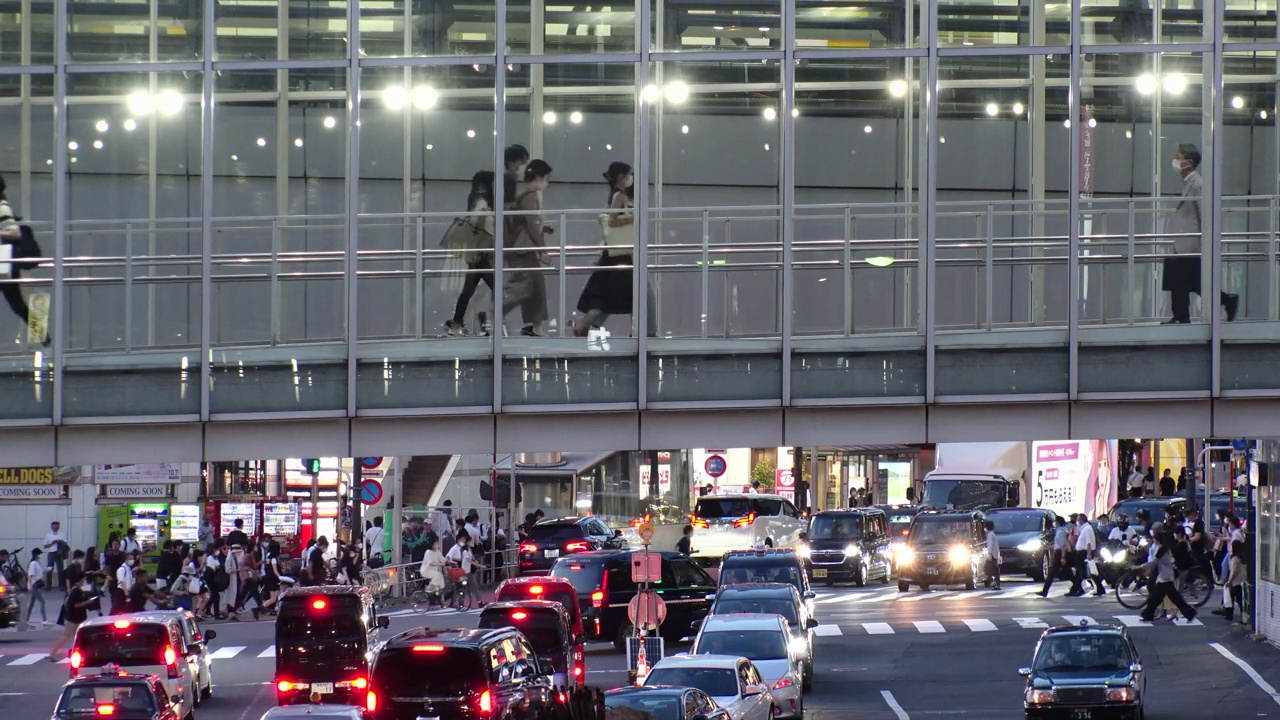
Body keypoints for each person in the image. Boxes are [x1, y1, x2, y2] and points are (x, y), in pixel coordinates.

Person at [573, 161, 656, 339]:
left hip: (618, 254)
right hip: (621, 255)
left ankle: (585, 325)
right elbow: (612, 220)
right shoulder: (619, 196)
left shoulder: (618, 195)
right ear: (621, 177)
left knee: (614, 297)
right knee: (637, 294)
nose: (630, 178)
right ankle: (646, 333)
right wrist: (634, 219)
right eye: (628, 175)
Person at [1163, 144, 1239, 324]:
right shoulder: (1188, 183)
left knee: (1185, 280)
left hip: (1190, 243)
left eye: (1179, 157)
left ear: (1188, 162)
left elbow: (1204, 214)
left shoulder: (1197, 184)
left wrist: (1205, 240)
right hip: (1183, 242)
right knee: (1189, 281)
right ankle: (1225, 301)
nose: (1176, 160)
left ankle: (1183, 316)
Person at [503, 159, 554, 336]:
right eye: (546, 177)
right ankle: (492, 314)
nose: (546, 181)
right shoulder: (529, 198)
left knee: (534, 288)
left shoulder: (526, 197)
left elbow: (529, 225)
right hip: (524, 250)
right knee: (523, 288)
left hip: (524, 249)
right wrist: (543, 249)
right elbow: (531, 226)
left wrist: (543, 229)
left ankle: (536, 325)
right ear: (538, 177)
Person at [445, 171, 498, 336]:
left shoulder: (475, 200)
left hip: (477, 254)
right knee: (499, 288)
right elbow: (482, 226)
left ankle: (456, 323)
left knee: (468, 290)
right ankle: (488, 322)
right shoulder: (482, 202)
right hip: (481, 254)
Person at [1135, 531, 1197, 624]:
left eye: (1155, 538)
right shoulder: (1163, 548)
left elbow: (1153, 562)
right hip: (1165, 576)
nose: (1153, 540)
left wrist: (1139, 567)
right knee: (1169, 597)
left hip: (1166, 577)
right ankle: (1190, 613)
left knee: (1157, 598)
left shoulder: (1162, 550)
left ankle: (1148, 614)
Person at [49, 574, 97, 661]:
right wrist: (88, 602)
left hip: (74, 618)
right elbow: (76, 605)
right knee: (66, 637)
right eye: (83, 580)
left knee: (75, 637)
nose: (84, 582)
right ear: (79, 581)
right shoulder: (77, 591)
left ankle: (75, 653)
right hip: (73, 619)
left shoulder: (74, 590)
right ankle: (52, 654)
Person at [445, 534, 484, 610]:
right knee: (459, 587)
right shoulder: (455, 548)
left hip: (466, 570)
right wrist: (453, 563)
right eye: (462, 539)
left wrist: (475, 561)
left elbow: (471, 558)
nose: (464, 541)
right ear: (459, 539)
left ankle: (478, 601)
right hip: (459, 570)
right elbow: (448, 557)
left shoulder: (466, 549)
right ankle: (457, 602)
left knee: (471, 586)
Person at [1037, 516, 1071, 598]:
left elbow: (1063, 545)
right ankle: (1077, 587)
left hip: (1059, 553)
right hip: (1059, 552)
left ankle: (1045, 591)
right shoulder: (1061, 531)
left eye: (1055, 522)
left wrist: (1063, 557)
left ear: (1058, 522)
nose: (1054, 523)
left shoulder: (1060, 532)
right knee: (1068, 572)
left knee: (1052, 573)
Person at [25, 548, 49, 627]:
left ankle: (26, 620)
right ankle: (44, 620)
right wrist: (29, 585)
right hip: (34, 585)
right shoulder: (33, 563)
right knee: (42, 602)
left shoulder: (37, 563)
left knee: (31, 603)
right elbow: (30, 575)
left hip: (36, 584)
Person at [43, 521, 68, 590]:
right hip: (51, 553)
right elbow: (45, 546)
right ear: (51, 527)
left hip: (59, 553)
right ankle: (48, 585)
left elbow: (65, 543)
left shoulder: (62, 534)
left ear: (59, 527)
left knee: (60, 570)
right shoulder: (48, 535)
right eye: (54, 527)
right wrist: (52, 543)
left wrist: (60, 541)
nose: (55, 528)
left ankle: (61, 585)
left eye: (57, 527)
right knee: (49, 569)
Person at [984, 520, 1001, 591]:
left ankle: (994, 583)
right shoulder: (993, 534)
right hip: (995, 554)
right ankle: (995, 583)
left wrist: (989, 554)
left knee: (988, 569)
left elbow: (990, 545)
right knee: (995, 570)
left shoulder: (990, 535)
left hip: (992, 555)